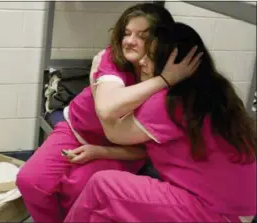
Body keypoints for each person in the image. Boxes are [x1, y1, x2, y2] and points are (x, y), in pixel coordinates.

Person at [17, 3, 203, 222]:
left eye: (142, 36)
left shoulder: (168, 88)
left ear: (160, 40)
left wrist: (99, 151)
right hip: (76, 130)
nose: (130, 41)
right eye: (126, 33)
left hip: (120, 149)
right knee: (30, 180)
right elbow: (107, 110)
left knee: (77, 189)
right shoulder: (112, 58)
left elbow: (147, 150)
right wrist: (162, 81)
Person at [64, 22, 257, 223]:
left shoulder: (169, 102)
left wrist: (96, 80)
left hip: (216, 212)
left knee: (102, 185)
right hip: (242, 206)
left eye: (151, 56)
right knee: (104, 212)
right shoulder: (215, 89)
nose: (143, 61)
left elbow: (112, 129)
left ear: (173, 63)